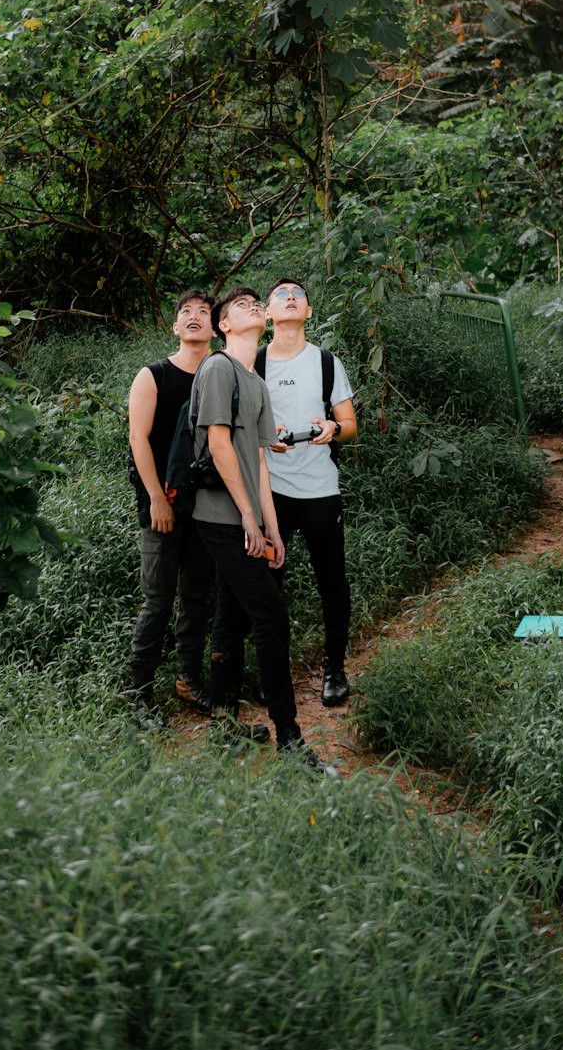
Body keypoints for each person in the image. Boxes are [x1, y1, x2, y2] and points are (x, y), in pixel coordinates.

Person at [192, 286, 325, 767]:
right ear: (224, 325)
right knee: (271, 617)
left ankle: (224, 723)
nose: (253, 308)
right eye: (241, 307)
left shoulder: (254, 381)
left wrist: (271, 527)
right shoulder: (218, 368)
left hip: (247, 519)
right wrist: (248, 516)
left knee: (232, 617)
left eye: (255, 305)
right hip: (220, 517)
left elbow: (262, 462)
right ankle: (289, 736)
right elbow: (220, 444)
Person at [258, 276, 357, 707]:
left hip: (320, 489)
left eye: (298, 294)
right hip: (271, 492)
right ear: (267, 314)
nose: (291, 298)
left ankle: (334, 670)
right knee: (267, 586)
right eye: (281, 294)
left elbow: (350, 425)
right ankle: (270, 673)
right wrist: (266, 436)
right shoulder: (254, 364)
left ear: (309, 312)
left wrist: (334, 428)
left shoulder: (327, 363)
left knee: (331, 583)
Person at [127, 289, 216, 729]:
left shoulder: (221, 375)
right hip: (162, 507)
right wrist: (156, 499)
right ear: (176, 326)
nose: (195, 317)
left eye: (204, 312)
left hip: (207, 509)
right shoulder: (154, 375)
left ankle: (188, 680)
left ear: (215, 326)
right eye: (187, 312)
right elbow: (138, 440)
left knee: (196, 599)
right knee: (158, 602)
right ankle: (140, 695)